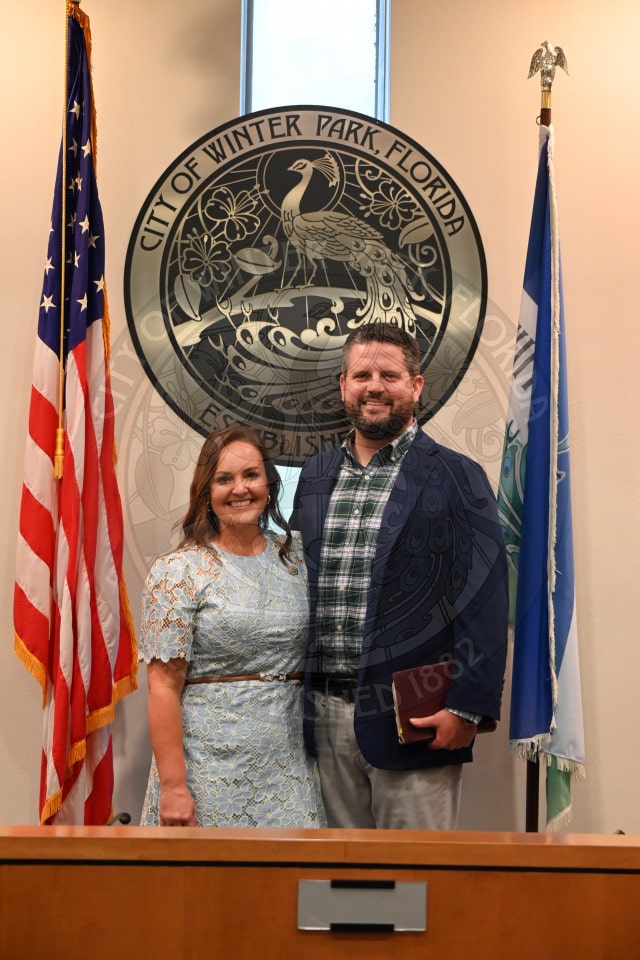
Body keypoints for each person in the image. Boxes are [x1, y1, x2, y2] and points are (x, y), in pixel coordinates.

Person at [291, 322, 508, 830]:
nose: (374, 386)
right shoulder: (315, 476)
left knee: (413, 885)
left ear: (416, 386)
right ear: (343, 386)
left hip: (413, 720)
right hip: (322, 720)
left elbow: (486, 601)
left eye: (389, 374)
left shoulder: (458, 476)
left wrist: (467, 708)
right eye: (361, 374)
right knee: (336, 884)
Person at [139, 425, 326, 828]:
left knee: (289, 886)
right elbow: (163, 688)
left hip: (289, 766)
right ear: (206, 491)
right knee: (205, 889)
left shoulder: (298, 558)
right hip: (206, 771)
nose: (240, 489)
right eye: (224, 479)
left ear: (269, 485)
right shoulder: (177, 571)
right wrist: (174, 787)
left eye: (250, 475)